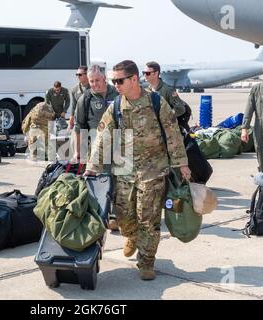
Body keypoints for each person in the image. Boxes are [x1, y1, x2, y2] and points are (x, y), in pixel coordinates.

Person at [85, 60, 191, 280]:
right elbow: (103, 138)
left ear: (134, 79)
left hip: (153, 171)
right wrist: (92, 167)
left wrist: (182, 164)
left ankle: (146, 261)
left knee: (148, 219)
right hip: (123, 172)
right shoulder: (115, 106)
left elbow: (173, 133)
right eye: (114, 81)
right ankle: (131, 236)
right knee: (123, 217)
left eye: (119, 80)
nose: (116, 84)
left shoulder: (155, 102)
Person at [73, 65, 119, 230]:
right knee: (103, 181)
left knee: (120, 180)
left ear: (104, 78)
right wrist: (79, 151)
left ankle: (117, 214)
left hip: (120, 146)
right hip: (98, 149)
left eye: (97, 80)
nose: (94, 84)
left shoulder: (118, 93)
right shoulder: (85, 99)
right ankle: (104, 215)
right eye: (91, 81)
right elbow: (79, 127)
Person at [143, 61, 191, 131]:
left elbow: (180, 109)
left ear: (156, 73)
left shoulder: (168, 90)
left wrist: (165, 117)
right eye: (143, 73)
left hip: (170, 129)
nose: (145, 75)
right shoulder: (148, 90)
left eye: (147, 73)